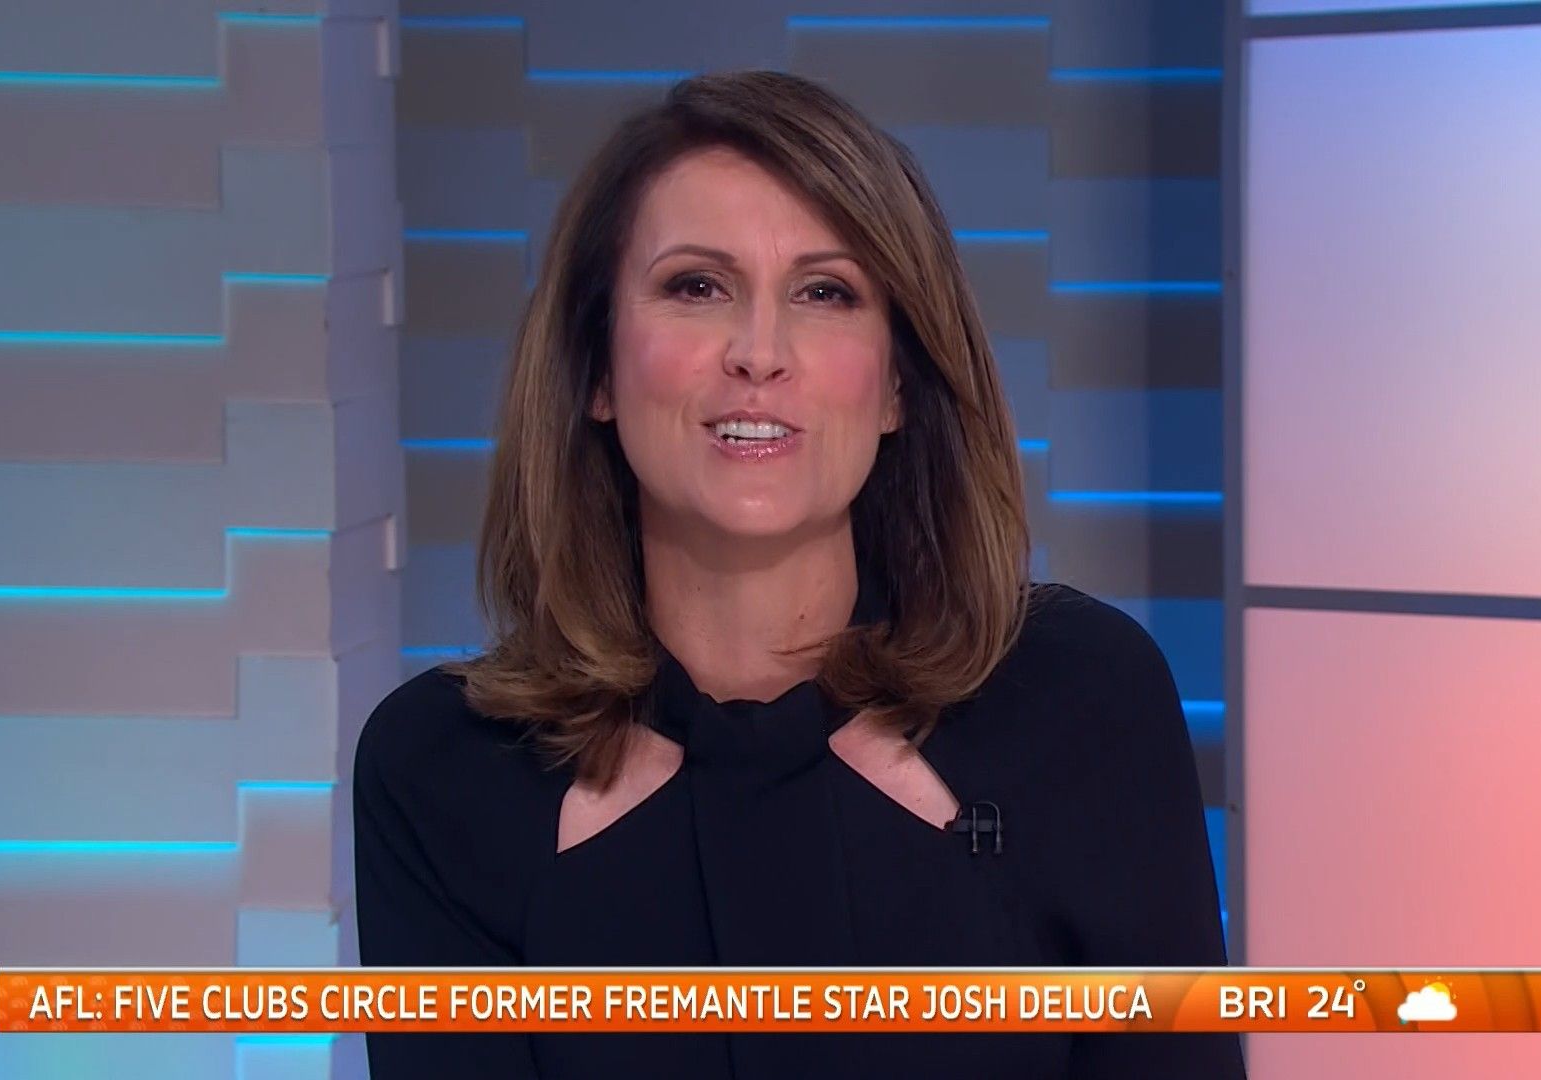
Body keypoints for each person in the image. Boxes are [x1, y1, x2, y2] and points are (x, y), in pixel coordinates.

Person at [353, 69, 1244, 1079]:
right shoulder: (444, 771)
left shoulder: (1082, 699)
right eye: (697, 286)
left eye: (825, 293)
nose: (759, 353)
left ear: (897, 382)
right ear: (596, 367)